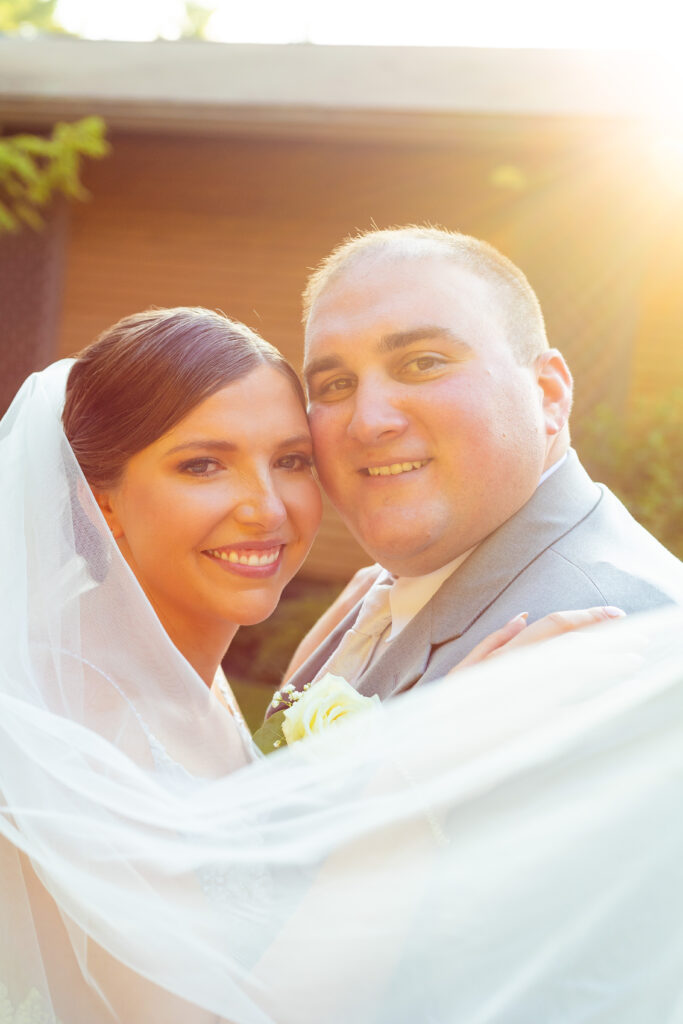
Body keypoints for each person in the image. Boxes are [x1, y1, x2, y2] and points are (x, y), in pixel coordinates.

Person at [2, 305, 681, 1023]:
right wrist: (424, 765)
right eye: (202, 464)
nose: (265, 508)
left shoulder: (193, 675)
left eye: (289, 461)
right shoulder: (64, 721)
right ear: (97, 498)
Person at [280, 226, 683, 703]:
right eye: (335, 385)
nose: (368, 422)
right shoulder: (391, 594)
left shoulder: (619, 637)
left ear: (548, 394)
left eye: (423, 363)